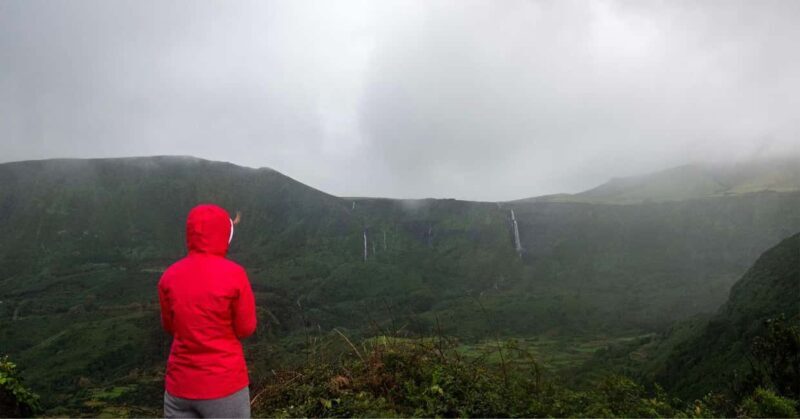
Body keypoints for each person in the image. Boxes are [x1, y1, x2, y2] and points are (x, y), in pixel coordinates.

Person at [158, 204, 257, 418]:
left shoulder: (169, 276)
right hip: (224, 386)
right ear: (224, 235)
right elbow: (245, 328)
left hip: (179, 386)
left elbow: (169, 326)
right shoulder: (235, 275)